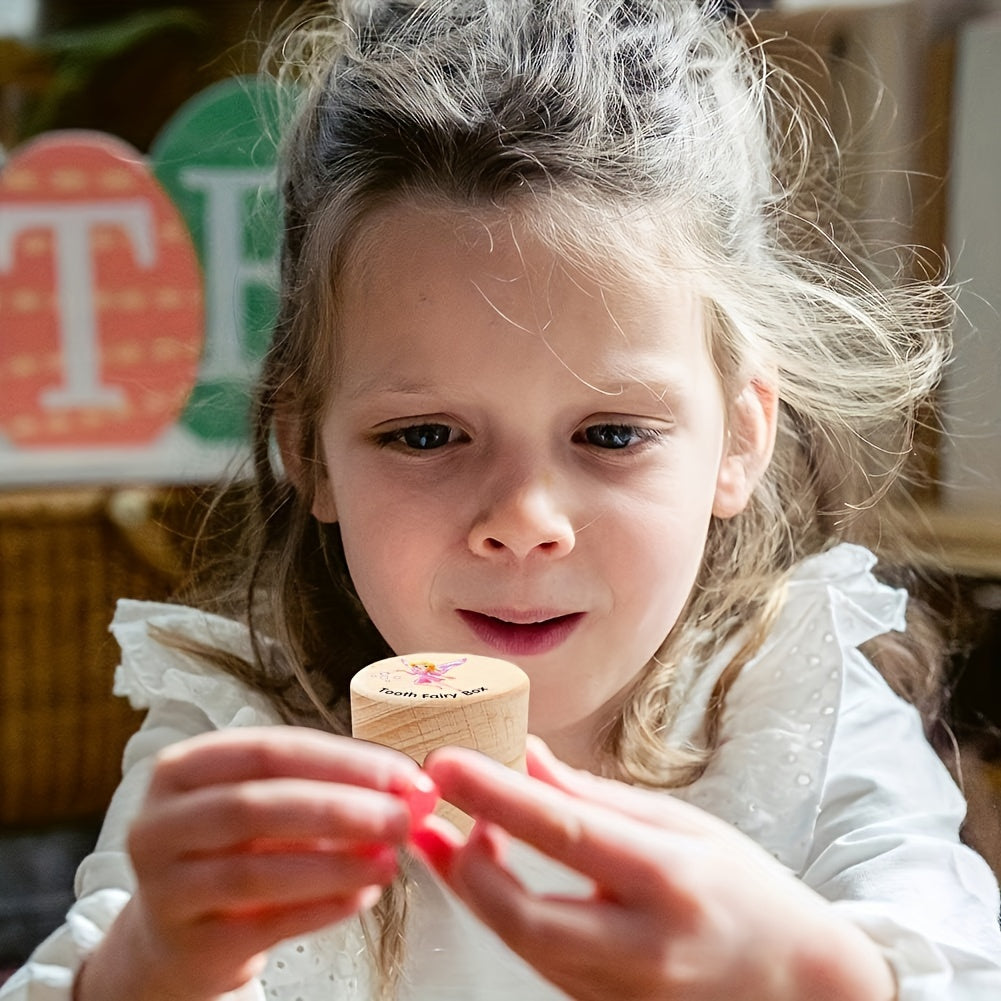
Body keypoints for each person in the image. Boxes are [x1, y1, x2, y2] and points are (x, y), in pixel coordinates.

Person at [4, 1, 1001, 998]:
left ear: (739, 436)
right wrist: (154, 963)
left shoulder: (800, 707)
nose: (523, 517)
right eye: (425, 435)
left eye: (609, 434)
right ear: (304, 446)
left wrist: (814, 976)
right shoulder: (237, 735)